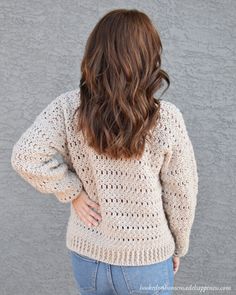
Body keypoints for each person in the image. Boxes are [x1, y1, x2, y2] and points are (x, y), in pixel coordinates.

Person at [11, 8, 198, 295]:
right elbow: (182, 191)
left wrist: (72, 192)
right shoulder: (166, 118)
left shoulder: (69, 107)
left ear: (95, 53)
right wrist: (179, 246)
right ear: (147, 58)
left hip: (87, 255)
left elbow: (25, 155)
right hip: (145, 258)